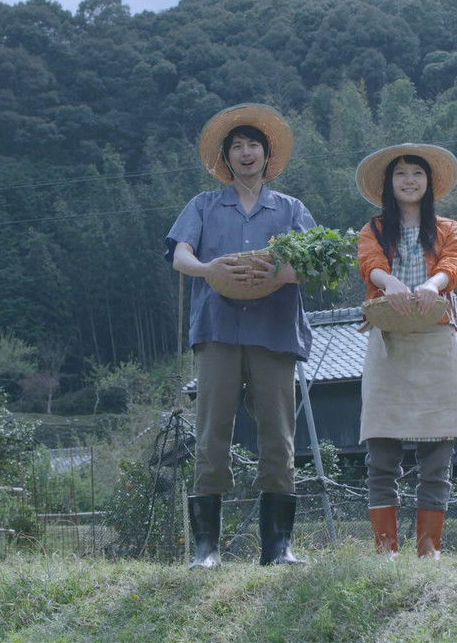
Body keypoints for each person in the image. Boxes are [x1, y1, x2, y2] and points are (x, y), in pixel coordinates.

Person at [165, 103, 315, 567]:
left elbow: (314, 263)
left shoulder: (291, 209)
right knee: (212, 432)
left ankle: (278, 548)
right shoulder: (203, 205)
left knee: (279, 435)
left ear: (267, 156)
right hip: (217, 330)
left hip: (275, 330)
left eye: (253, 145)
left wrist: (280, 273)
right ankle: (206, 549)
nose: (246, 153)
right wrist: (208, 269)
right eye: (237, 147)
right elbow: (180, 256)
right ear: (225, 158)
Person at [354, 143, 457, 560]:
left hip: (436, 339)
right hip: (387, 339)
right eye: (401, 174)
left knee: (438, 451)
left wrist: (432, 284)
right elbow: (369, 261)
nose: (409, 181)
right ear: (389, 183)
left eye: (417, 173)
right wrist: (388, 282)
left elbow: (455, 263)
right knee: (381, 450)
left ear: (429, 183)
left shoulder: (448, 227)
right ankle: (386, 549)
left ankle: (430, 549)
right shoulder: (373, 229)